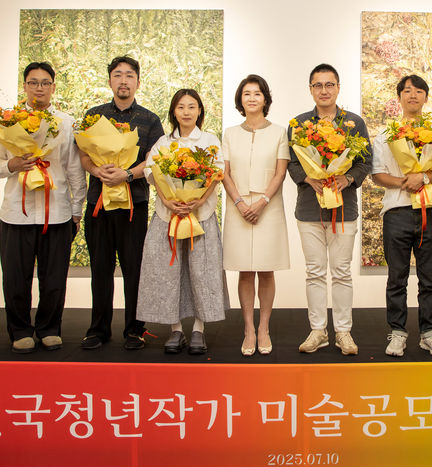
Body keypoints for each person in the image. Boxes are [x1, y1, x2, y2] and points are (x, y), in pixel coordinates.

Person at [0, 61, 87, 353]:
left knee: (54, 279)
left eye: (44, 83)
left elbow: (75, 170)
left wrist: (76, 211)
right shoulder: (8, 122)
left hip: (56, 212)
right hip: (16, 213)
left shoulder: (66, 123)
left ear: (53, 87)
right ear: (25, 86)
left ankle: (49, 329)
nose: (39, 88)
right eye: (33, 82)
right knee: (15, 278)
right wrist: (12, 164)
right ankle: (19, 330)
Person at [79, 56, 164, 350]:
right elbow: (84, 155)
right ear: (110, 81)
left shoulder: (150, 119)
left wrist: (127, 174)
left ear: (138, 82)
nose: (123, 80)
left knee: (134, 268)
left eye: (129, 75)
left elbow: (154, 160)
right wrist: (97, 171)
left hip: (133, 204)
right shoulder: (94, 116)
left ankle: (135, 329)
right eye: (118, 75)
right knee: (100, 268)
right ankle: (98, 329)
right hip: (98, 202)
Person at [287, 63, 372, 355]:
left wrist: (348, 179)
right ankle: (318, 331)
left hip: (343, 209)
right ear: (311, 89)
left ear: (338, 88)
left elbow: (365, 161)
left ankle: (343, 332)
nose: (324, 90)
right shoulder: (298, 125)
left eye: (329, 85)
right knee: (314, 272)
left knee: (342, 272)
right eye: (318, 85)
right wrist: (307, 178)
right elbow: (292, 163)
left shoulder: (354, 123)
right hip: (309, 210)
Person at [136, 89, 228, 355]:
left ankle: (199, 328)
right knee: (168, 273)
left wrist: (198, 201)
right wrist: (168, 201)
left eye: (192, 106)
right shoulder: (163, 142)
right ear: (173, 112)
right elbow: (151, 173)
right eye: (181, 107)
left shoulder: (209, 140)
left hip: (201, 216)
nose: (186, 112)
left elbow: (216, 175)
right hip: (168, 217)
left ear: (200, 111)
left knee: (201, 272)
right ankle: (175, 329)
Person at [371, 75, 432, 358]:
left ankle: (430, 333)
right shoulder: (385, 135)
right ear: (400, 97)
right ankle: (398, 332)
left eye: (419, 91)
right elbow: (377, 174)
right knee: (397, 278)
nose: (413, 95)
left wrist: (424, 177)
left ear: (426, 97)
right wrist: (405, 181)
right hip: (397, 213)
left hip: (430, 212)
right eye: (407, 91)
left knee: (430, 279)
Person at [221, 75, 290, 356]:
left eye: (257, 93)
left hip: (268, 206)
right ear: (240, 99)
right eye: (247, 93)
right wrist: (239, 202)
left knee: (266, 269)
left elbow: (280, 172)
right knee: (245, 270)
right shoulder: (229, 133)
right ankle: (248, 329)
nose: (252, 98)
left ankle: (264, 328)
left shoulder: (279, 132)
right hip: (237, 207)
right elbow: (224, 173)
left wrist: (262, 202)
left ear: (265, 99)